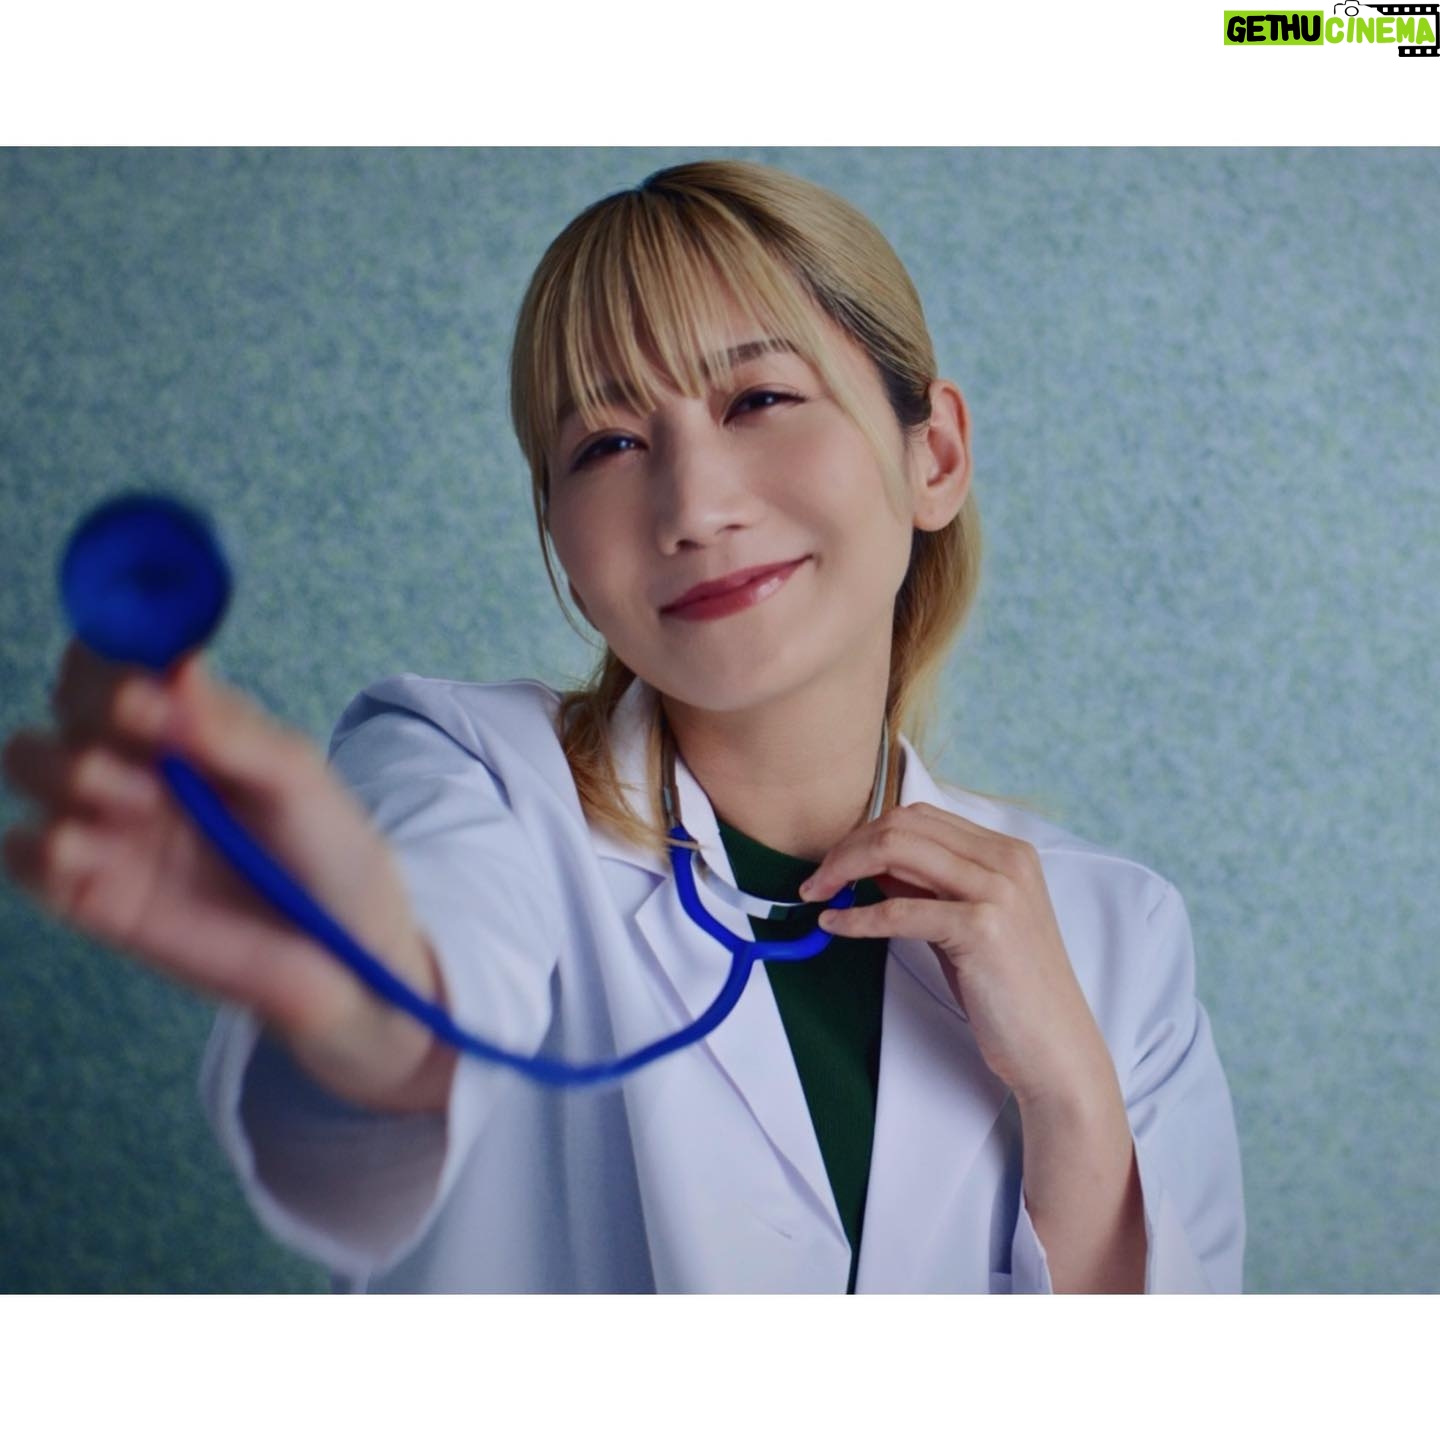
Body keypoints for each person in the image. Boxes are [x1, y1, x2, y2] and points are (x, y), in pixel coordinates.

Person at [0, 158, 1245, 1294]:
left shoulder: (1116, 937)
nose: (693, 505)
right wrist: (372, 1005)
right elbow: (419, 995)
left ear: (937, 457)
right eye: (606, 443)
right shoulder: (465, 772)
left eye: (760, 397)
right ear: (559, 536)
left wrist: (1076, 1108)